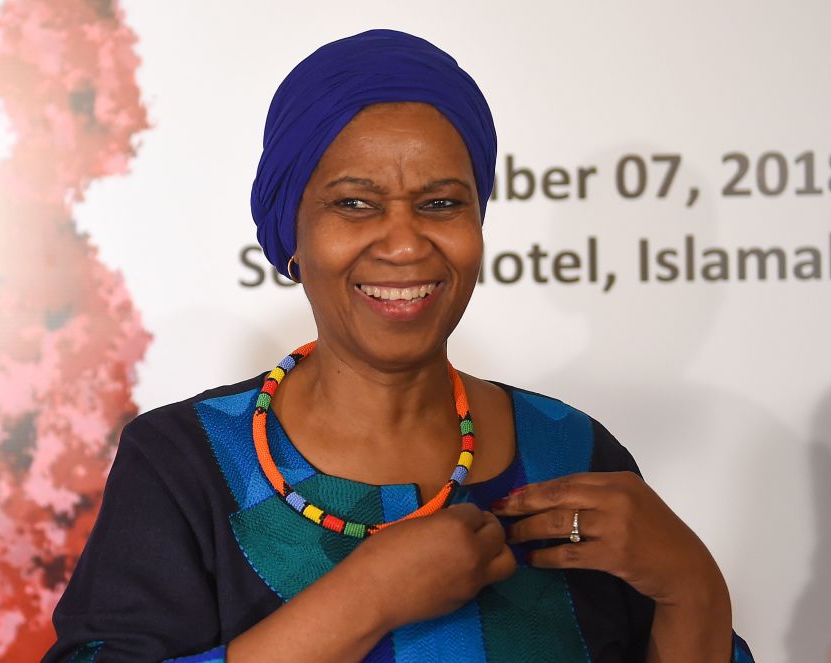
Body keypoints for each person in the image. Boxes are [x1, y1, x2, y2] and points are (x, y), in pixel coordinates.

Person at [43, 30, 755, 662]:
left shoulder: (570, 451)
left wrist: (693, 586)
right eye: (354, 203)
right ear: (291, 236)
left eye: (442, 203)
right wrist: (363, 601)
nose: (406, 243)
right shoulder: (185, 464)